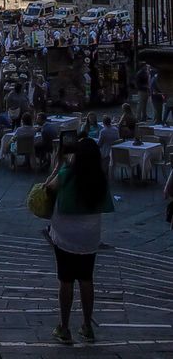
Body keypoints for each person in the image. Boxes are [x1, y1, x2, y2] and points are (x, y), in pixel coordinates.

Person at [45, 137, 114, 344]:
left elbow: (47, 188)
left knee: (65, 280)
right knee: (86, 279)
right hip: (90, 236)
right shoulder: (100, 179)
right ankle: (87, 325)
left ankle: (64, 327)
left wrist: (58, 165)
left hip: (65, 234)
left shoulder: (67, 175)